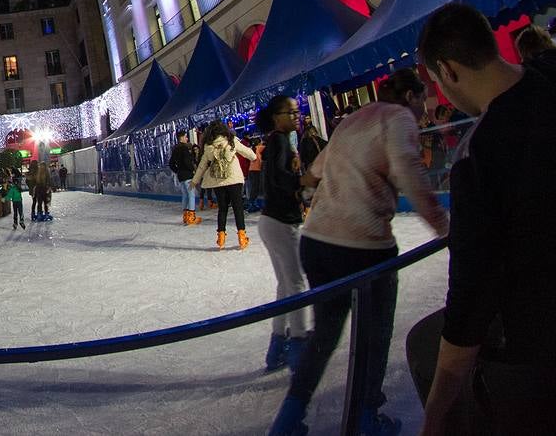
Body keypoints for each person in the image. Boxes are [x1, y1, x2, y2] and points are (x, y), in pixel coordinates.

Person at [409, 3, 556, 434]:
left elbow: (470, 301)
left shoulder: (479, 159)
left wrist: (437, 412)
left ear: (447, 70)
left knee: (425, 348)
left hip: (546, 348)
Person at [268, 69, 448, 436]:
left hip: (317, 241)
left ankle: (289, 417)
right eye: (424, 97)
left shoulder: (354, 119)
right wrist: (447, 229)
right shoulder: (399, 119)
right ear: (411, 98)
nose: (426, 108)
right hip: (363, 246)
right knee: (375, 333)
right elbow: (409, 173)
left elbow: (318, 169)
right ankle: (367, 415)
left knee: (326, 332)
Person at [257, 95, 309, 373]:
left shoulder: (283, 140)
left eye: (296, 111)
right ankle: (299, 345)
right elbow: (279, 177)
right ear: (276, 117)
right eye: (290, 112)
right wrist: (303, 182)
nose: (296, 116)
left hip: (271, 221)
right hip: (280, 222)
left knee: (285, 285)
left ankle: (277, 346)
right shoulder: (279, 140)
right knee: (297, 283)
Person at [190, 121, 255, 250]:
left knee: (223, 209)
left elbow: (202, 166)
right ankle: (242, 237)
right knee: (238, 208)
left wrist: (195, 181)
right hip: (234, 179)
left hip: (218, 181)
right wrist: (254, 157)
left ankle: (221, 237)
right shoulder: (232, 142)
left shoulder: (209, 147)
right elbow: (250, 154)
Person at [168, 130, 202, 226]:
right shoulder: (184, 148)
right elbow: (187, 162)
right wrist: (192, 170)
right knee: (191, 195)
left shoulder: (175, 149)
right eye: (186, 137)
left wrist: (178, 171)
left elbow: (171, 164)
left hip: (181, 176)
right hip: (187, 175)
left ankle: (185, 216)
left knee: (185, 195)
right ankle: (191, 217)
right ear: (182, 138)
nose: (187, 139)